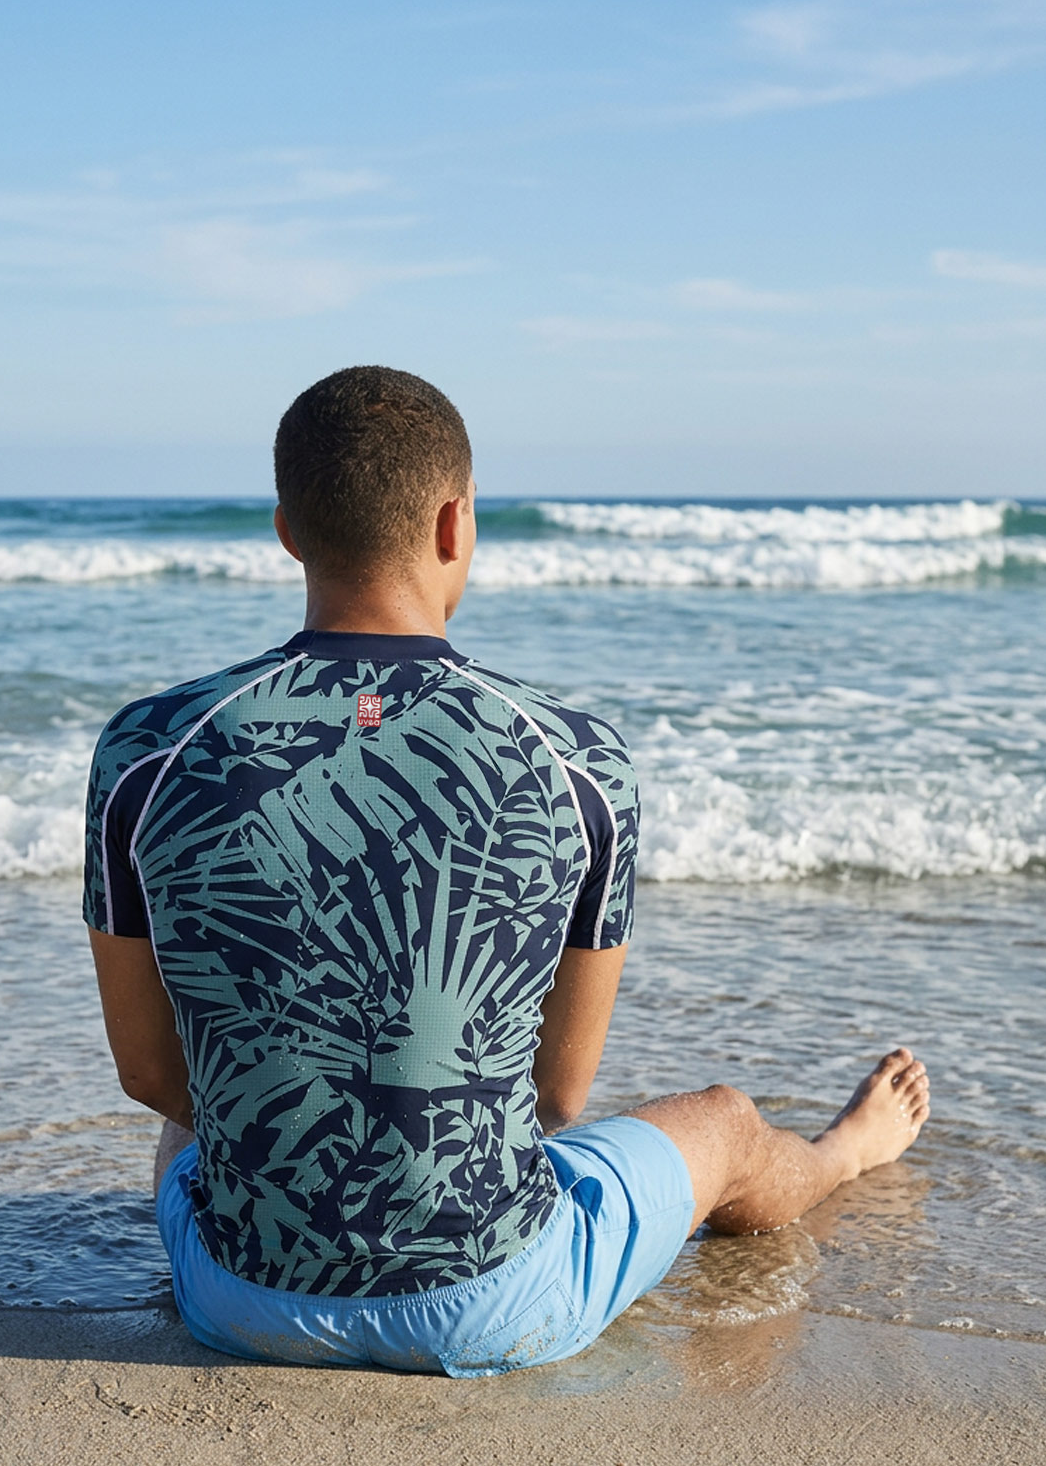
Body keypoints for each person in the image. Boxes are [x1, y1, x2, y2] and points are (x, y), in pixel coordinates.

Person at [83, 365, 930, 1377]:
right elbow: (558, 1096)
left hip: (236, 1302)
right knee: (727, 1123)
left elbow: (149, 1076)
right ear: (454, 524)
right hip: (488, 1301)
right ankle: (845, 1153)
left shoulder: (146, 749)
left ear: (286, 530)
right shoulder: (577, 759)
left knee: (191, 1131)